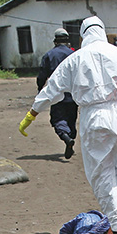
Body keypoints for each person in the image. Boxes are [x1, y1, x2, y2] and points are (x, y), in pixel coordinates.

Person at [19, 17, 117, 234]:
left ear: (83, 35)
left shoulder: (75, 58)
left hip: (95, 116)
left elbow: (52, 88)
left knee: (102, 171)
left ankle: (116, 227)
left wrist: (33, 112)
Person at [37, 28, 78, 159]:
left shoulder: (49, 55)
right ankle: (70, 137)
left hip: (56, 95)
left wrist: (40, 90)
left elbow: (42, 76)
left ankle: (66, 138)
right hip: (73, 95)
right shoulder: (74, 55)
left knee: (58, 119)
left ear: (55, 41)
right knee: (71, 119)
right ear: (67, 41)